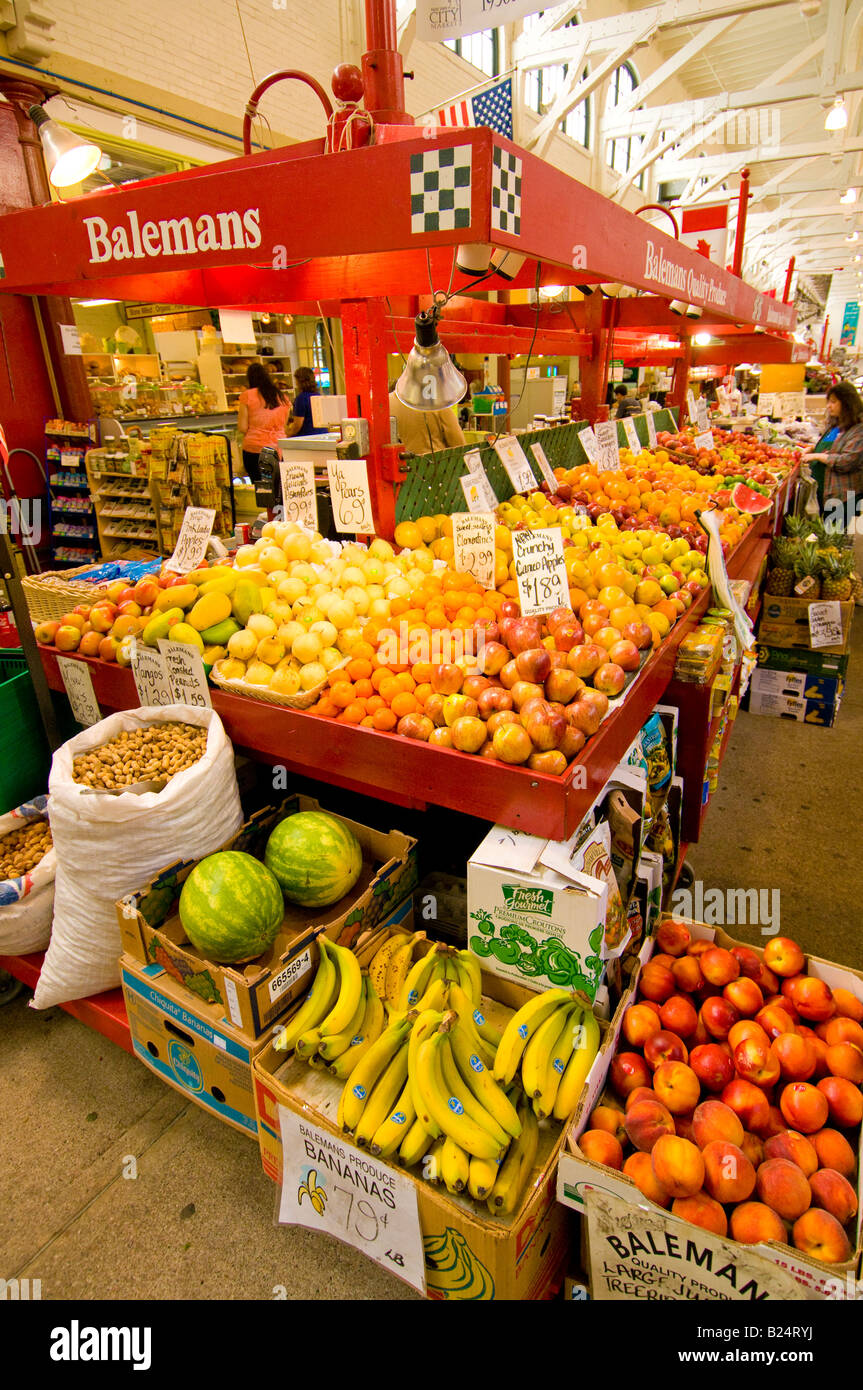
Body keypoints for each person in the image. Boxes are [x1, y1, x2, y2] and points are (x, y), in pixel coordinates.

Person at [799, 381, 863, 516]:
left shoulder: (859, 430)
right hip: (824, 493)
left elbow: (846, 461)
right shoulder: (836, 426)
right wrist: (812, 449)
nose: (828, 406)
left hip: (843, 498)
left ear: (847, 403)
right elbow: (831, 447)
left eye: (833, 402)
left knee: (838, 529)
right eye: (828, 401)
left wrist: (817, 456)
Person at [236, 362, 291, 482]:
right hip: (278, 448)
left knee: (260, 486)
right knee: (278, 486)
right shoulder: (282, 397)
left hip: (254, 448)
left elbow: (242, 427)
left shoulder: (247, 396)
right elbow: (284, 425)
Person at [388, 384, 465, 456]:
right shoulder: (437, 402)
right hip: (435, 462)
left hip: (399, 462)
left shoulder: (387, 401)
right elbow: (459, 445)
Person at [282, 366, 328, 437]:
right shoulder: (319, 396)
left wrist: (287, 433)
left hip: (308, 437)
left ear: (300, 381)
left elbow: (297, 425)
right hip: (323, 435)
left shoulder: (301, 399)